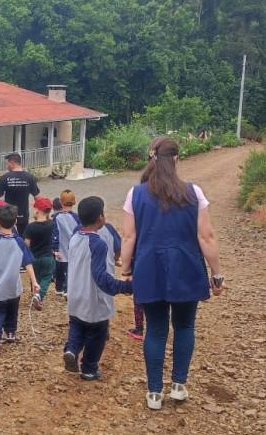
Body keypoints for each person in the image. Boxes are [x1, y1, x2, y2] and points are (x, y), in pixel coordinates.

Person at [119, 137, 225, 410]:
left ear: (151, 158)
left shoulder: (136, 193)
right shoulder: (194, 193)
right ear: (177, 159)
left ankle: (154, 393)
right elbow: (207, 236)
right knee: (185, 326)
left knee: (155, 329)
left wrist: (126, 269)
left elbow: (129, 237)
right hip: (186, 267)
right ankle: (178, 385)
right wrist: (216, 274)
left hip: (149, 267)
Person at [63, 196, 133, 380]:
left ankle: (71, 349)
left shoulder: (75, 236)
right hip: (94, 298)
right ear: (101, 217)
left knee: (77, 325)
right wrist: (125, 287)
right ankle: (89, 368)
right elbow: (100, 278)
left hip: (75, 293)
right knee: (97, 333)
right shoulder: (98, 244)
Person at [0, 205, 40, 352]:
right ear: (15, 221)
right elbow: (28, 263)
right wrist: (34, 281)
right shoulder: (20, 243)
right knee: (12, 311)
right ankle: (10, 333)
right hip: (14, 287)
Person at [0, 153, 39, 235]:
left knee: (7, 235)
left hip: (8, 215)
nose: (7, 166)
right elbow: (37, 197)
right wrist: (39, 213)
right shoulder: (30, 177)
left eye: (7, 164)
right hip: (23, 214)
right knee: (23, 237)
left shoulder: (5, 177)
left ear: (12, 163)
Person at [23, 196, 55, 310]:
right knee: (46, 277)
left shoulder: (30, 227)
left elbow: (26, 244)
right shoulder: (52, 224)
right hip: (47, 256)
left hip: (33, 258)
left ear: (38, 210)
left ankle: (34, 295)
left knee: (34, 278)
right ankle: (39, 295)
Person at [52, 189, 80, 296]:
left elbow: (54, 233)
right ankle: (67, 289)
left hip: (60, 247)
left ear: (61, 202)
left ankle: (59, 288)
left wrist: (55, 249)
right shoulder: (77, 217)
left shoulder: (56, 217)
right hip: (73, 246)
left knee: (59, 268)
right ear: (74, 202)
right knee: (70, 269)